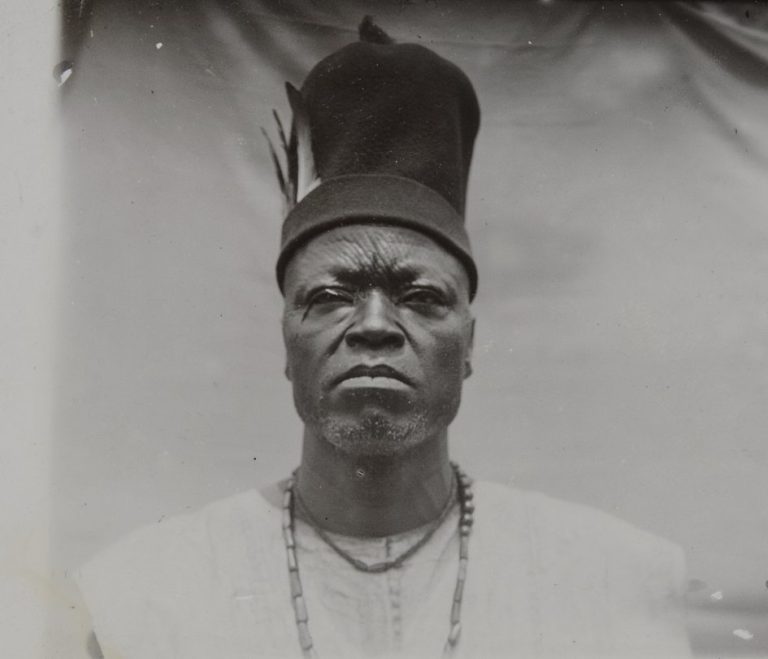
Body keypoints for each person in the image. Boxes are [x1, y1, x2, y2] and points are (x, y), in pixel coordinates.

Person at [76, 17, 692, 659]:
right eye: (330, 296)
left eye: (421, 297)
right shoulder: (141, 600)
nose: (373, 325)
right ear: (289, 342)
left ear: (470, 344)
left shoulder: (617, 581)